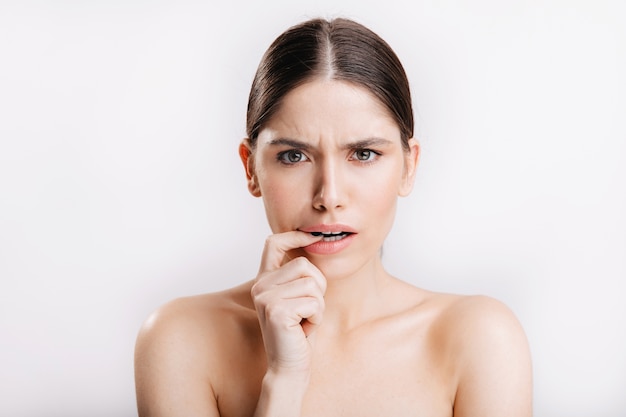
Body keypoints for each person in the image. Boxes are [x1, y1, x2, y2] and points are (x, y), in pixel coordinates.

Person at [134, 17, 532, 417]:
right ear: (250, 168)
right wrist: (284, 379)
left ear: (409, 167)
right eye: (294, 156)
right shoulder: (180, 340)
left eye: (363, 154)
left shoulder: (480, 339)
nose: (330, 196)